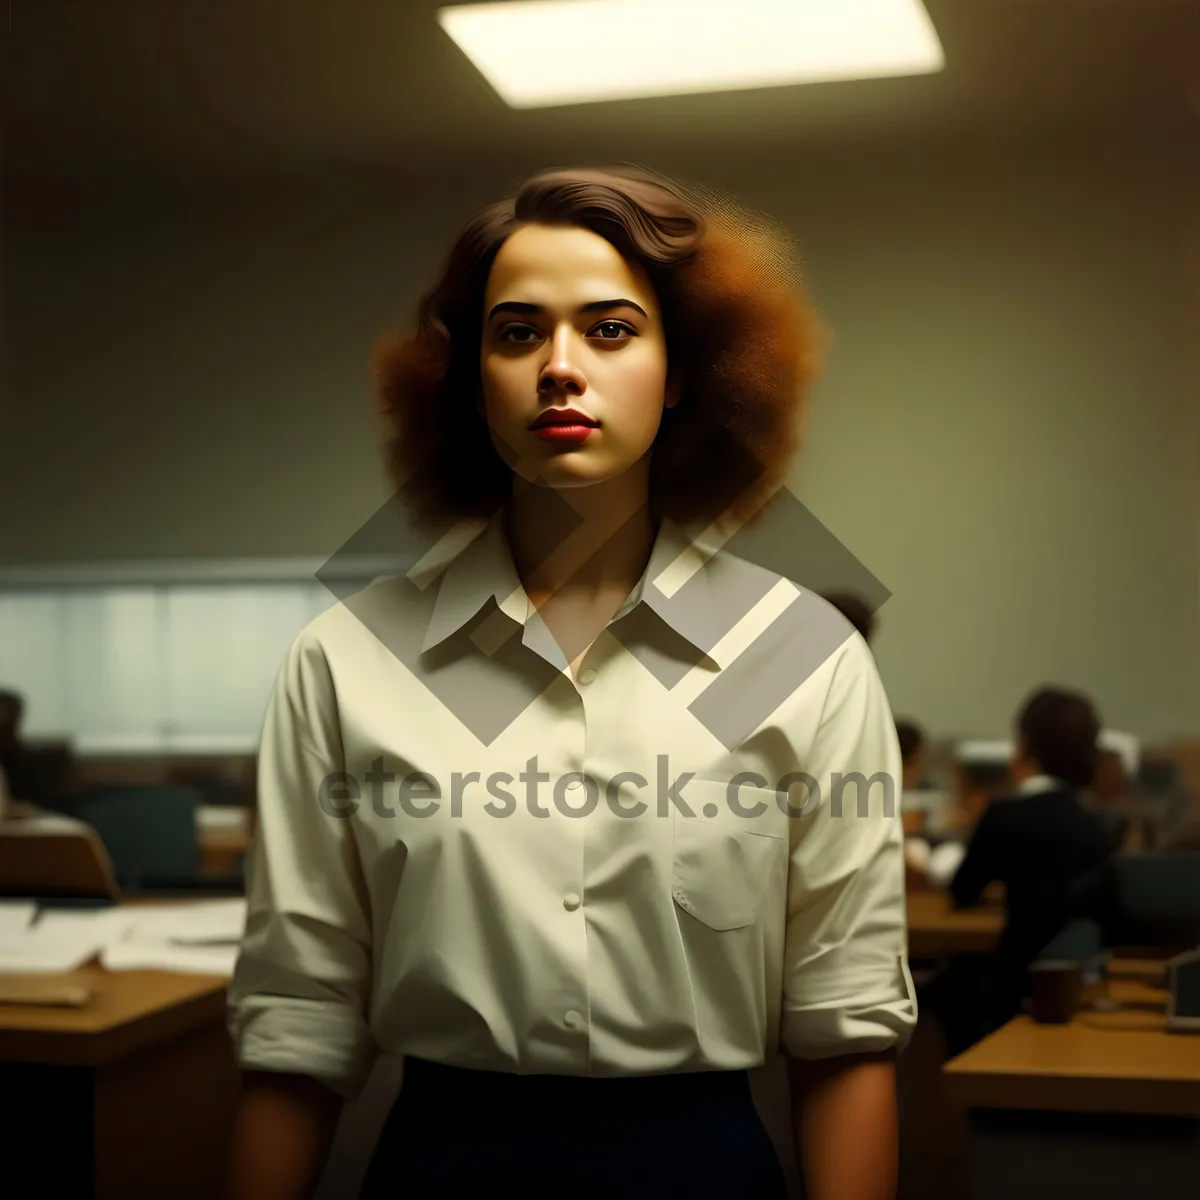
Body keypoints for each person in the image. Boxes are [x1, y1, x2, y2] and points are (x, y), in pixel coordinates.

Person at [226, 166, 915, 1200]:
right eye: (516, 333)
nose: (559, 367)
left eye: (609, 329)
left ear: (682, 369)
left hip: (704, 1169)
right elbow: (299, 1018)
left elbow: (845, 1024)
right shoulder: (346, 661)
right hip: (441, 1169)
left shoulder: (802, 659)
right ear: (471, 380)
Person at [949, 686, 1115, 1036]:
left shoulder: (1006, 814)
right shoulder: (1100, 824)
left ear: (1024, 746)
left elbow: (962, 889)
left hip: (1012, 988)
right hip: (1083, 990)